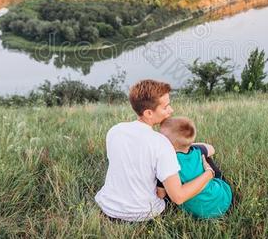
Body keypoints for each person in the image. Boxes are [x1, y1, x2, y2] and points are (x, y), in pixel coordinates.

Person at [95, 79, 215, 222]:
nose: (171, 110)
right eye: (166, 107)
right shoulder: (161, 144)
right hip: (144, 214)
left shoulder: (115, 130)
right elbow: (178, 197)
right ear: (148, 113)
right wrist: (209, 173)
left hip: (108, 208)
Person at [158, 116, 232, 218]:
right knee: (206, 158)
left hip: (198, 211)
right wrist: (189, 144)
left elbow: (161, 194)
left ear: (168, 144)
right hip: (223, 200)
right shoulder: (198, 150)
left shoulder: (167, 162)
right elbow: (212, 149)